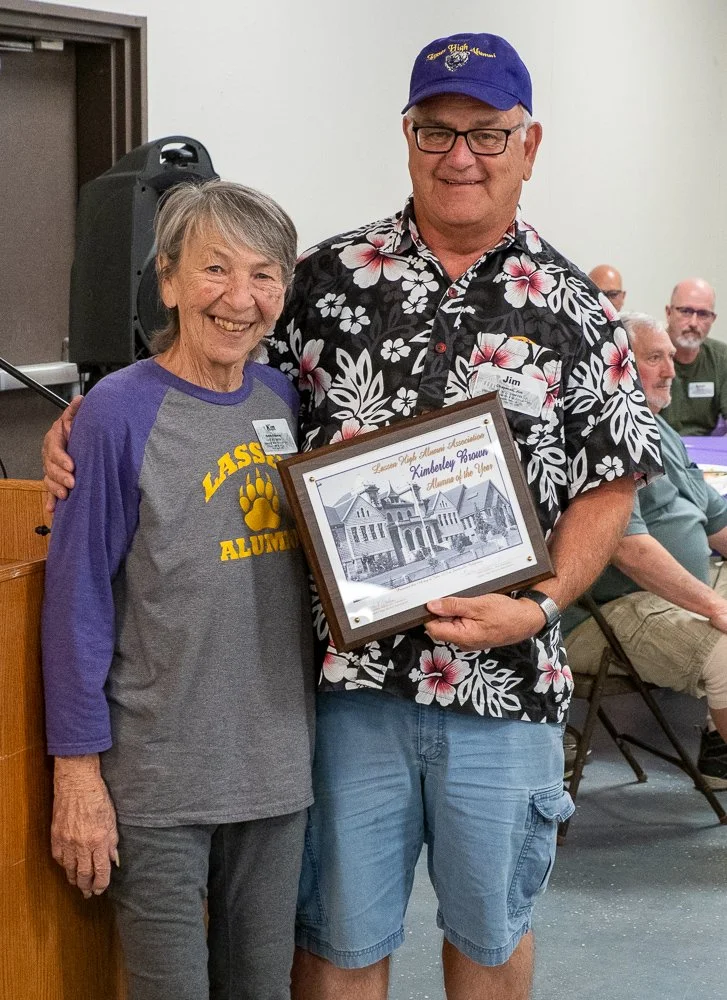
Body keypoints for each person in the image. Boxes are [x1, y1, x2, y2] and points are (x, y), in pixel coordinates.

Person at [44, 32, 662, 1000]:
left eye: (487, 134)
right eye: (436, 130)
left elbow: (609, 488)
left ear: (528, 143)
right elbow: (215, 375)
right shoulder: (323, 282)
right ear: (407, 136)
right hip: (342, 690)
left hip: (502, 690)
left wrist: (537, 608)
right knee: (336, 938)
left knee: (491, 939)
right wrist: (92, 413)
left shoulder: (583, 312)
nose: (460, 155)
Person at [41, 180, 315, 1000]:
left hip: (275, 769)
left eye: (264, 276)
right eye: (214, 270)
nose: (239, 299)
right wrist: (77, 773)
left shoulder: (286, 401)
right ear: (167, 280)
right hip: (159, 776)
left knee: (262, 988)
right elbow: (77, 603)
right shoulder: (116, 413)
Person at [564, 311, 727, 787]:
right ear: (616, 365)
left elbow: (717, 522)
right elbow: (629, 551)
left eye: (671, 359)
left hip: (671, 595)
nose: (671, 370)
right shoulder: (602, 435)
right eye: (655, 358)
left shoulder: (660, 431)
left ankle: (717, 748)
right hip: (609, 611)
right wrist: (715, 605)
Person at [660, 277, 727, 435]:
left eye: (703, 314)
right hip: (656, 449)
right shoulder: (645, 354)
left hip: (704, 453)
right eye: (686, 311)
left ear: (713, 319)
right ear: (669, 313)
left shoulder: (722, 358)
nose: (693, 323)